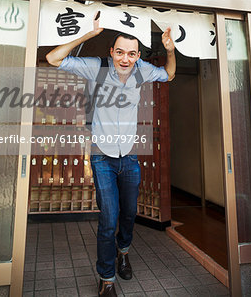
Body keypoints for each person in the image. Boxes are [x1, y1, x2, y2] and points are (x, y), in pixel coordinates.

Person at [46, 16, 176, 297]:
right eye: (120, 52)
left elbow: (169, 74)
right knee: (108, 218)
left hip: (128, 157)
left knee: (129, 214)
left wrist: (170, 51)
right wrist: (86, 35)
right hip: (102, 157)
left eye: (131, 54)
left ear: (138, 56)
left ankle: (124, 252)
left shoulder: (143, 71)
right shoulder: (98, 68)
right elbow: (53, 58)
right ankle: (106, 279)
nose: (125, 59)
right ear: (111, 52)